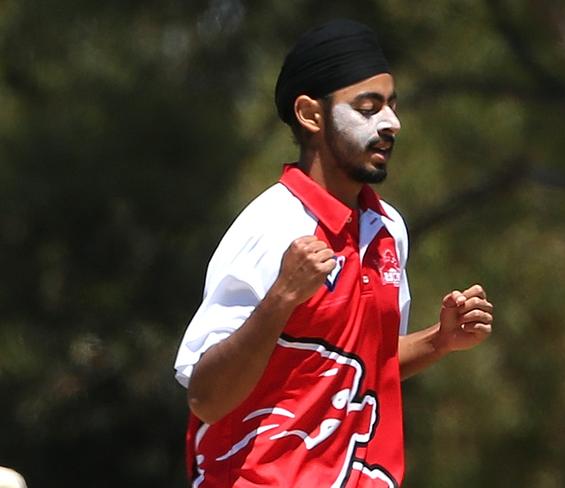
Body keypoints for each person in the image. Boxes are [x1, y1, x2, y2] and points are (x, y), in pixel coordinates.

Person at [174, 18, 493, 487]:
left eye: (392, 106)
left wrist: (439, 341)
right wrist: (282, 296)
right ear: (310, 114)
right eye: (368, 108)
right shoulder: (271, 227)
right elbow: (206, 397)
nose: (391, 124)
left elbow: (363, 367)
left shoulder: (386, 228)